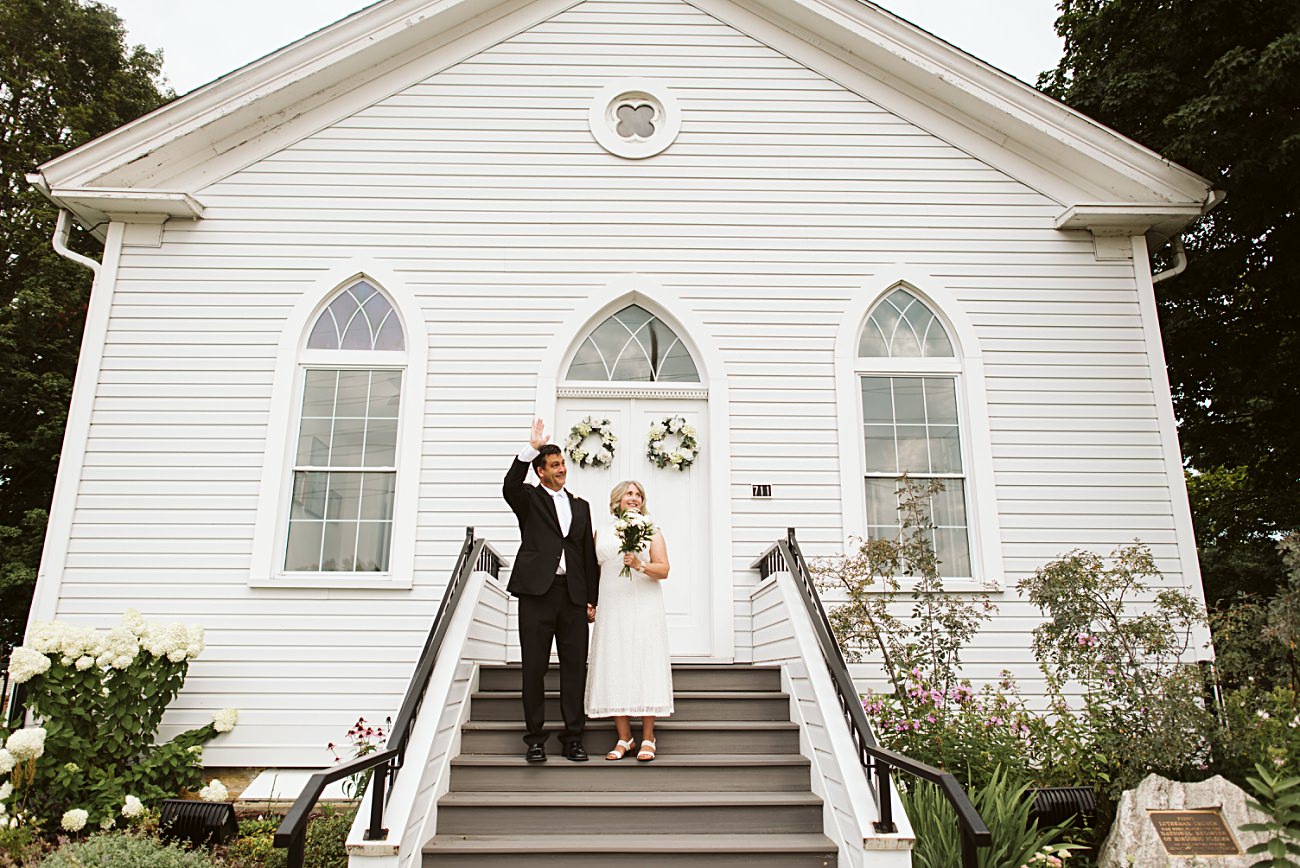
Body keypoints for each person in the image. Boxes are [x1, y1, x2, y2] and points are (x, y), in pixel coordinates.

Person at [502, 419, 599, 763]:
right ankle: (535, 740)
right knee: (534, 668)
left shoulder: (581, 506)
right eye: (555, 466)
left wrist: (592, 599)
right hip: (537, 595)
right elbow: (510, 484)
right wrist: (530, 449)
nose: (562, 470)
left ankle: (573, 737)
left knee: (575, 668)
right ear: (540, 471)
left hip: (572, 596)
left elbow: (586, 554)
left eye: (563, 465)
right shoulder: (528, 499)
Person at [584, 480, 673, 762]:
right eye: (629, 494)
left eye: (638, 494)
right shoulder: (602, 531)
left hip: (643, 604)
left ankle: (648, 737)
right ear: (617, 500)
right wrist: (592, 602)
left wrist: (641, 565)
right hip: (612, 605)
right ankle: (625, 737)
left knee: (645, 662)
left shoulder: (652, 530)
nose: (634, 498)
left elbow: (664, 569)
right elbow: (594, 571)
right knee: (614, 663)